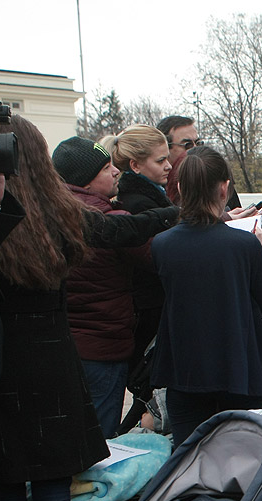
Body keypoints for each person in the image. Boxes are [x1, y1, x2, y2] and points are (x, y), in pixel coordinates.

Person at [0, 116, 110, 501]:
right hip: (53, 360)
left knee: (6, 497)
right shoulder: (63, 212)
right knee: (54, 495)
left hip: (1, 365)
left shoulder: (0, 216)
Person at [149, 146, 262, 447]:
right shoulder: (244, 245)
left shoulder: (162, 244)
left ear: (181, 188)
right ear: (224, 188)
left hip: (184, 369)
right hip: (238, 368)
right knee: (241, 458)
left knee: (189, 459)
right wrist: (260, 257)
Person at [52, 136, 149, 438]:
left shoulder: (51, 216)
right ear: (87, 181)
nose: (116, 171)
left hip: (63, 345)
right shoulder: (112, 222)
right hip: (104, 346)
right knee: (99, 441)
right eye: (107, 167)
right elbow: (160, 257)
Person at [108, 124, 175, 375]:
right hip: (150, 311)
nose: (168, 165)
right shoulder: (140, 206)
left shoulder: (148, 197)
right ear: (135, 166)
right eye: (160, 160)